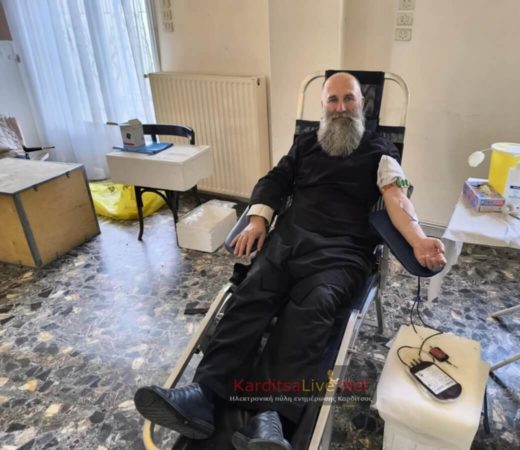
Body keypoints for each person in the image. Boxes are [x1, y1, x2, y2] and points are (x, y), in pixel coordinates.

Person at [134, 72, 446, 450]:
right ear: (323, 106)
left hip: (341, 251)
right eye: (333, 100)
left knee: (312, 308)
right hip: (289, 241)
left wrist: (419, 239)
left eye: (349, 99)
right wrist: (257, 220)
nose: (341, 107)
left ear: (363, 104)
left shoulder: (381, 150)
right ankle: (204, 395)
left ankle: (271, 418)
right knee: (251, 293)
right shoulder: (305, 145)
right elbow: (275, 180)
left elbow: (397, 198)